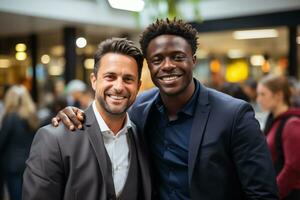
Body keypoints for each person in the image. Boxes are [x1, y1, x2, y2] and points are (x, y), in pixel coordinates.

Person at [52, 19, 278, 199]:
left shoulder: (234, 115)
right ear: (149, 67)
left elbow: (262, 193)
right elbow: (106, 118)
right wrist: (73, 114)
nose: (168, 65)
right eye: (157, 59)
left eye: (178, 57)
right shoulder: (139, 109)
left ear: (193, 60)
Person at [22, 38, 152, 200]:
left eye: (128, 79)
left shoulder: (144, 138)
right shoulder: (54, 139)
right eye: (110, 77)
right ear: (94, 81)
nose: (119, 87)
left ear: (138, 86)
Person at [257, 74, 300, 200]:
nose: (258, 99)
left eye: (263, 94)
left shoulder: (291, 123)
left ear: (278, 95)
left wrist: (274, 193)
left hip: (290, 193)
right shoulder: (274, 120)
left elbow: (293, 167)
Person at [0, 85, 39, 200]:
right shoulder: (33, 117)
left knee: (16, 195)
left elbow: (2, 141)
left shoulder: (11, 117)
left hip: (12, 165)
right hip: (30, 162)